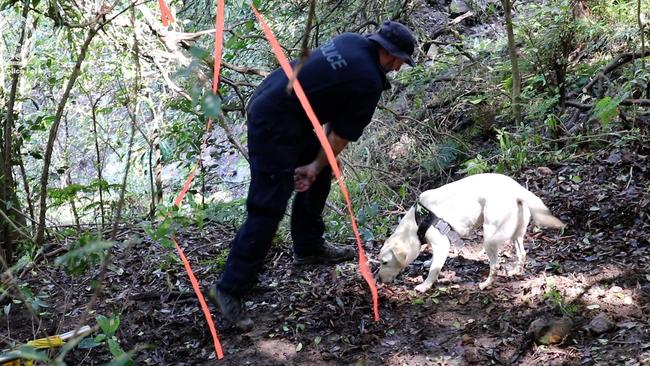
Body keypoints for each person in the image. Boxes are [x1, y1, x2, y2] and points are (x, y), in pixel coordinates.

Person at [209, 20, 417, 331]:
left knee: (322, 169)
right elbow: (341, 134)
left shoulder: (350, 40)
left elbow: (329, 102)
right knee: (268, 207)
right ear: (390, 54)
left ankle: (308, 247)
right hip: (275, 122)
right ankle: (229, 289)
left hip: (277, 100)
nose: (399, 69)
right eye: (401, 61)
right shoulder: (369, 81)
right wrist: (317, 162)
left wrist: (320, 163)